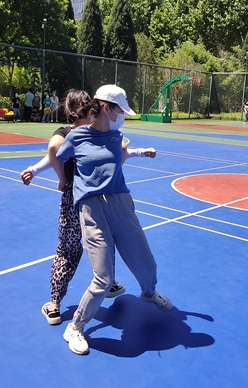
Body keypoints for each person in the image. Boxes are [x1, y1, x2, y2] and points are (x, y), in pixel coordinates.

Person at [20, 89, 157, 327]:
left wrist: (141, 152)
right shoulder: (70, 134)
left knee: (97, 243)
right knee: (72, 249)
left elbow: (119, 151)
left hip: (93, 197)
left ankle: (92, 290)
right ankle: (58, 303)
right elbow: (54, 151)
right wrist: (61, 178)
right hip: (79, 198)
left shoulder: (100, 131)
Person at [55, 84, 172, 355]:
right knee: (104, 278)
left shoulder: (116, 136)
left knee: (147, 264)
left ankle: (148, 294)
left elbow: (121, 157)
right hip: (92, 209)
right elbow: (57, 156)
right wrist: (65, 182)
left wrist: (139, 153)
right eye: (120, 111)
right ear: (106, 108)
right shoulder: (76, 136)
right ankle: (75, 326)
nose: (122, 116)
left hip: (121, 203)